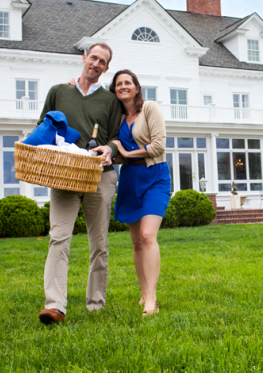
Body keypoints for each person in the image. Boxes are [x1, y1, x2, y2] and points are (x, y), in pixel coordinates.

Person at [68, 69, 170, 316]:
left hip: (155, 176)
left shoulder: (149, 109)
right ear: (114, 89)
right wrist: (72, 84)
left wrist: (124, 152)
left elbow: (158, 146)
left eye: (128, 82)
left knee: (147, 236)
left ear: (136, 86)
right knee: (136, 243)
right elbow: (90, 99)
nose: (123, 86)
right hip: (129, 180)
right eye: (118, 84)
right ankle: (144, 293)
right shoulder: (117, 117)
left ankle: (152, 299)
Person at [37, 43, 122, 325]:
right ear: (84, 58)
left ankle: (95, 303)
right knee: (58, 237)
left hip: (100, 176)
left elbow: (117, 138)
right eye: (93, 57)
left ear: (106, 69)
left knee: (99, 242)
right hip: (64, 175)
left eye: (103, 62)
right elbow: (43, 130)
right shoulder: (59, 92)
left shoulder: (110, 102)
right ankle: (55, 306)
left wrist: (110, 148)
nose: (96, 63)